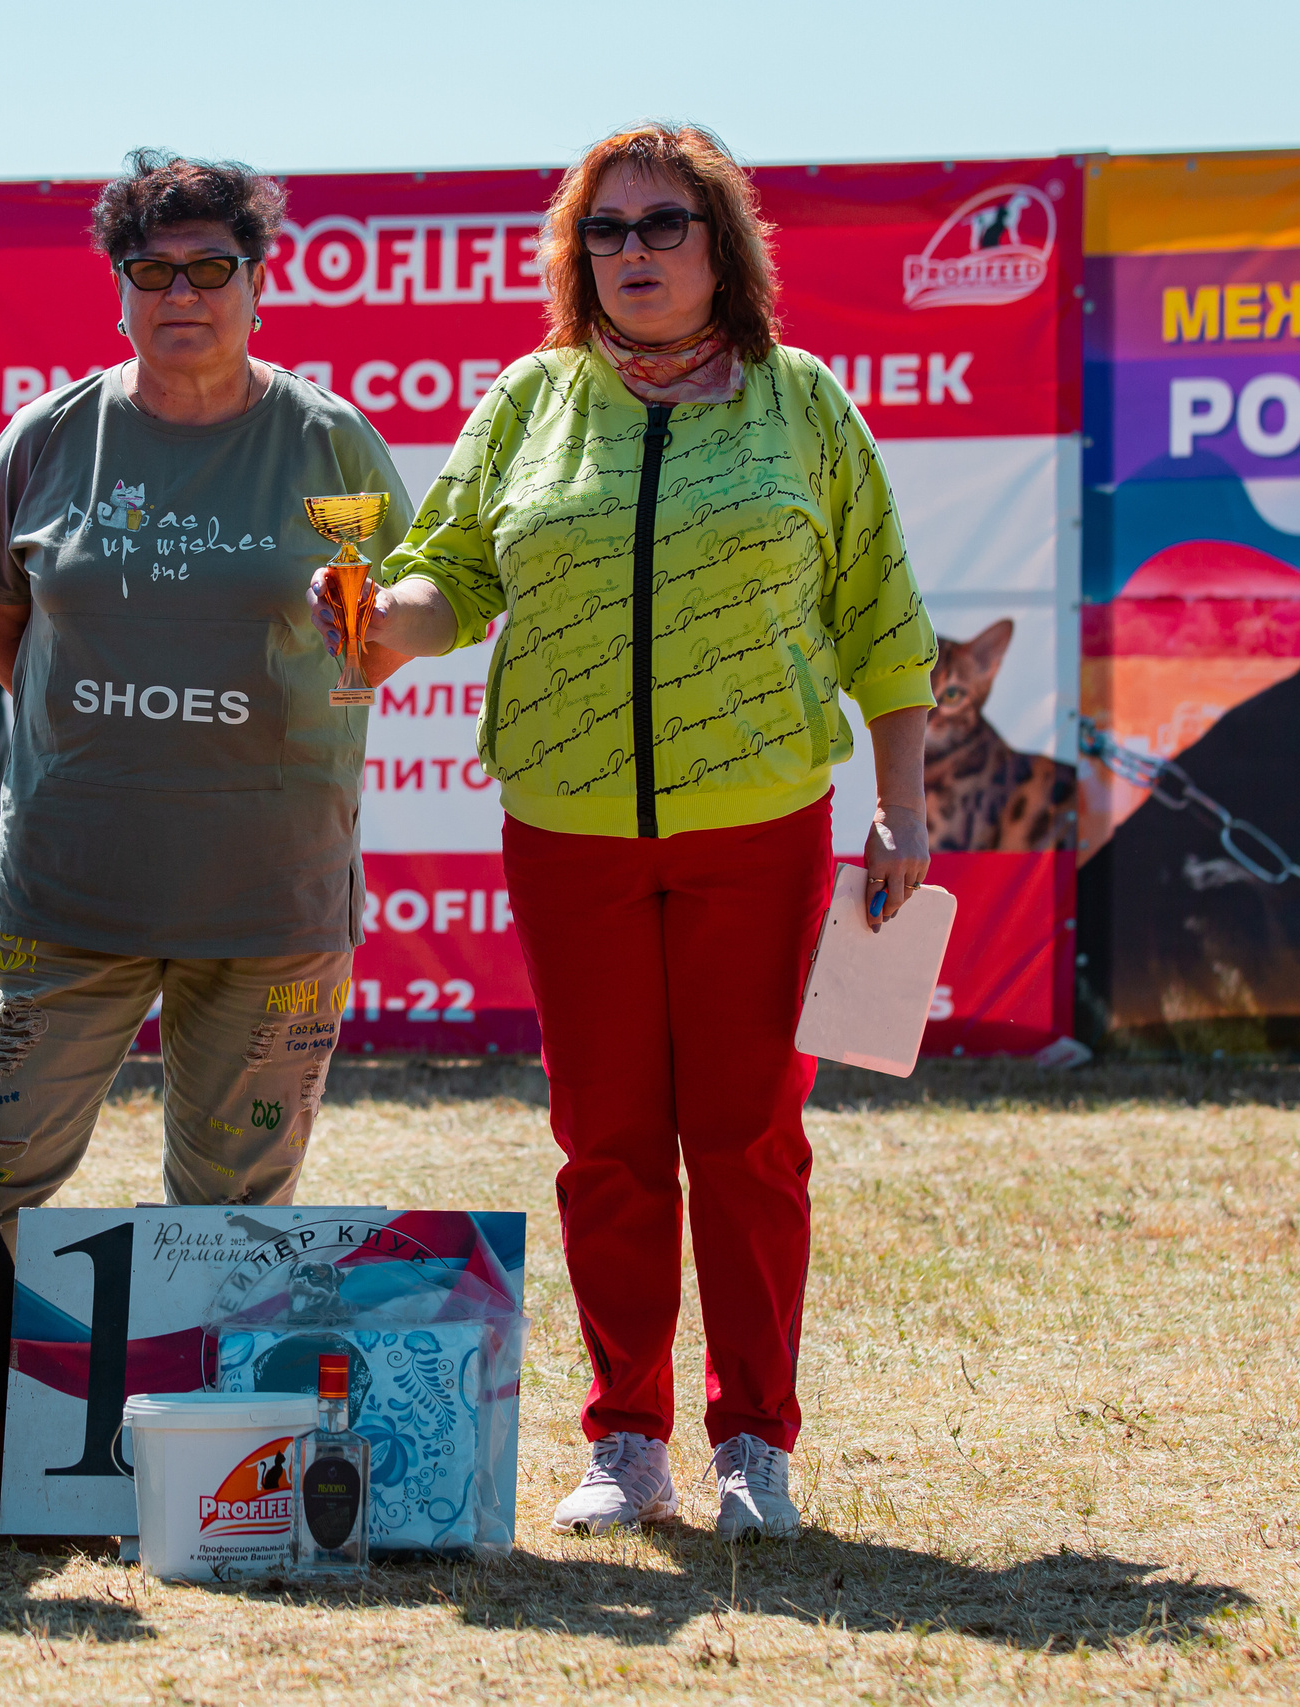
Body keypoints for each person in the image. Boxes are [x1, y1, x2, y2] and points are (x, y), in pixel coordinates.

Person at [323, 124, 936, 1542]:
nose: (633, 251)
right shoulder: (531, 400)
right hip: (567, 827)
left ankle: (753, 1442)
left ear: (723, 245)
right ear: (575, 254)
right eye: (604, 230)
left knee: (748, 1141)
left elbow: (882, 617)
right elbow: (448, 576)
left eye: (665, 224)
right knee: (604, 1142)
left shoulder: (803, 401)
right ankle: (626, 1439)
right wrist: (372, 618)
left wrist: (902, 803)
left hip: (760, 822)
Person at [0, 149, 410, 1248]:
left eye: (210, 267)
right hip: (71, 890)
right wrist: (100, 733)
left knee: (233, 1219)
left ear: (258, 282)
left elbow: (380, 628)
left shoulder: (329, 443)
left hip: (270, 901)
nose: (182, 293)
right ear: (119, 293)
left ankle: (198, 1376)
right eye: (151, 272)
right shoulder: (50, 436)